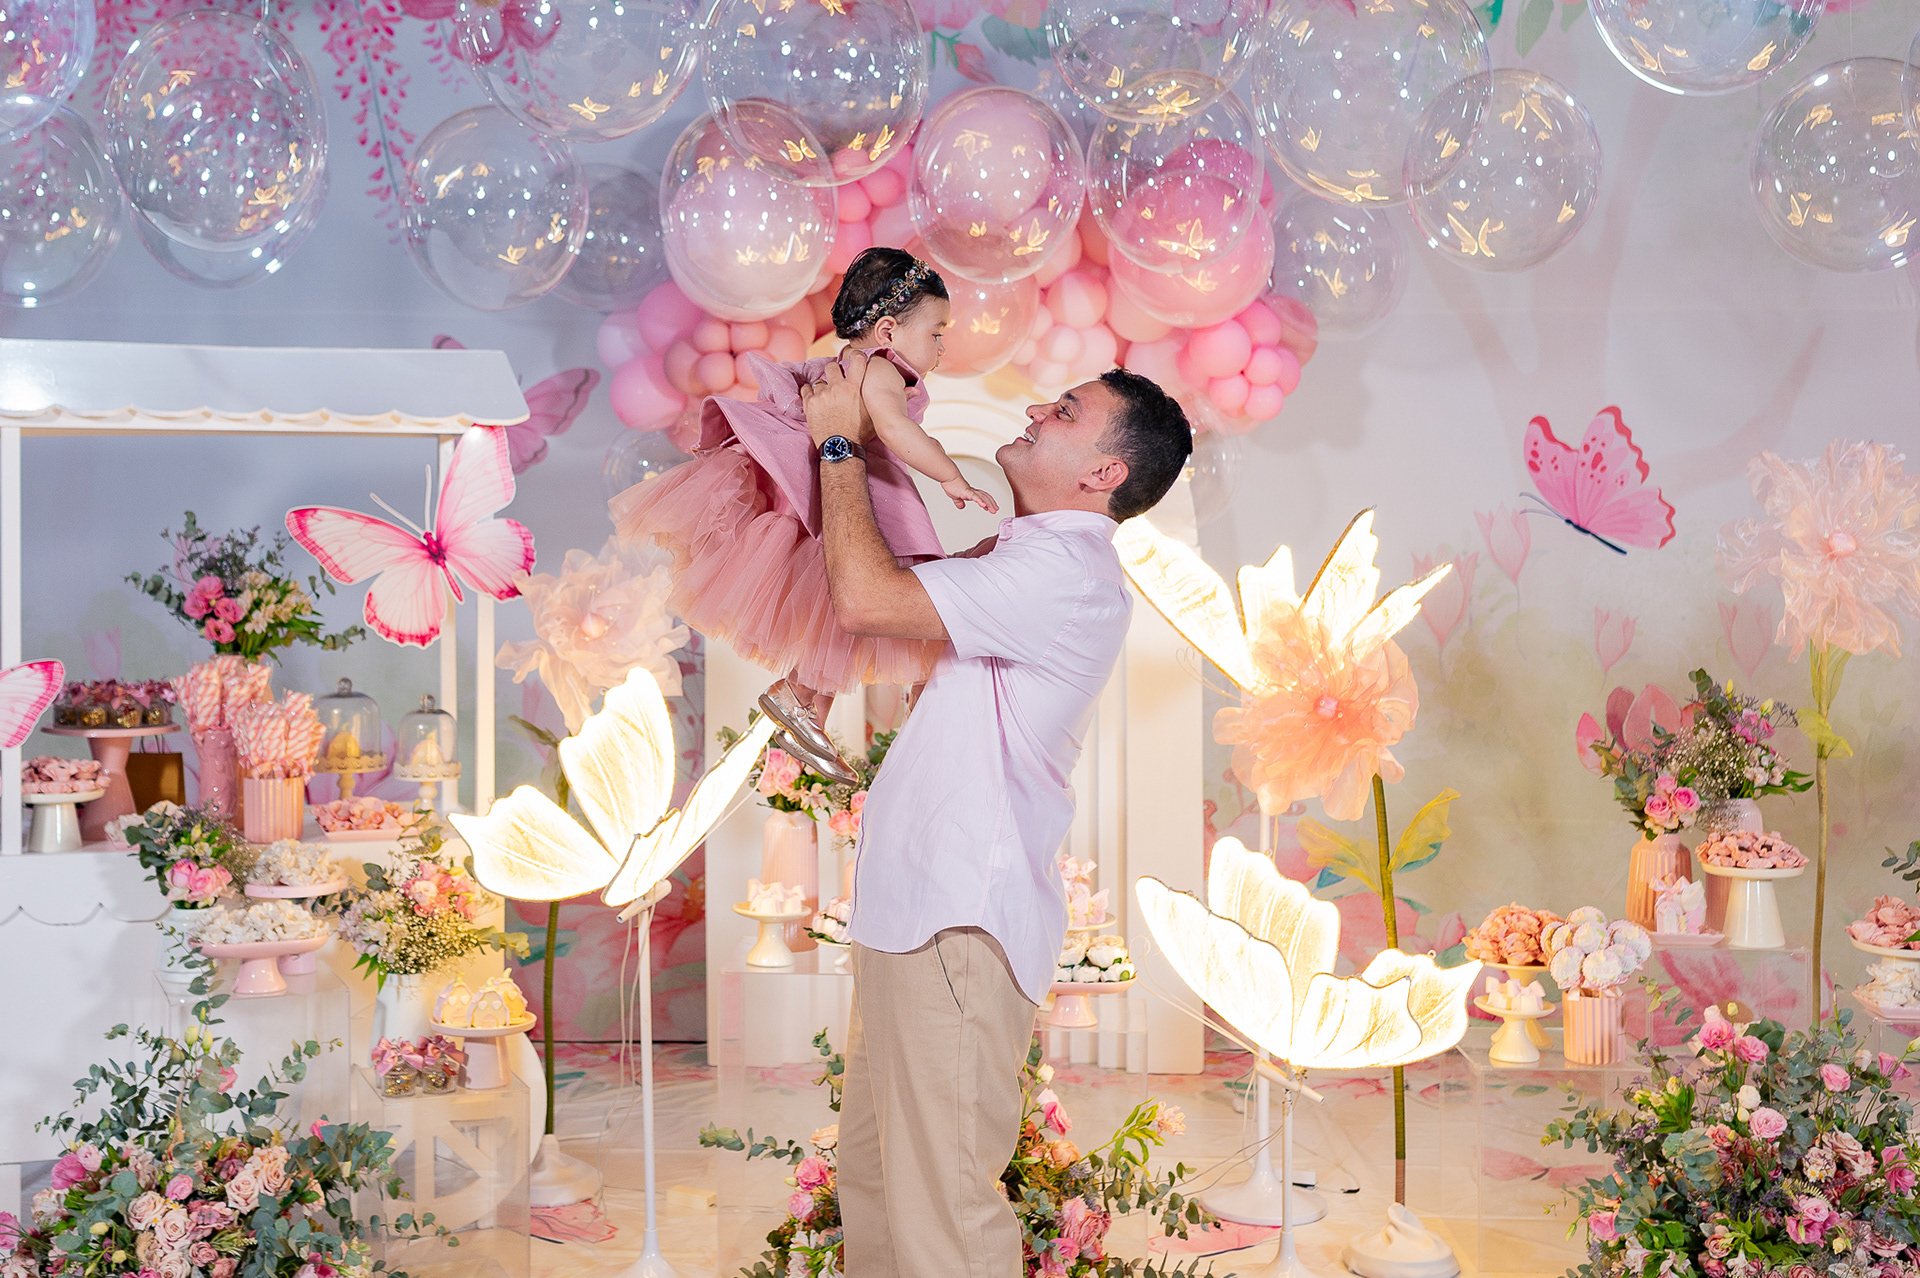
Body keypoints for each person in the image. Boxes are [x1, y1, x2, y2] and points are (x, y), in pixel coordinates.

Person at [798, 353, 1192, 1278]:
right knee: (879, 1192)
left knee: (943, 1212)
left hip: (958, 920)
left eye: (1067, 412)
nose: (1037, 409)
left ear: (1104, 472)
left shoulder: (1064, 568)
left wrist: (839, 444)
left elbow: (867, 599)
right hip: (916, 915)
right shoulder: (1025, 555)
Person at [610, 247, 997, 782]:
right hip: (867, 493)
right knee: (872, 604)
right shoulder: (883, 370)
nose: (941, 346)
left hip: (843, 490)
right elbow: (896, 428)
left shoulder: (843, 366)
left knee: (837, 619)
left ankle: (803, 707)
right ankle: (811, 703)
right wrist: (951, 477)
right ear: (888, 331)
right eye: (936, 333)